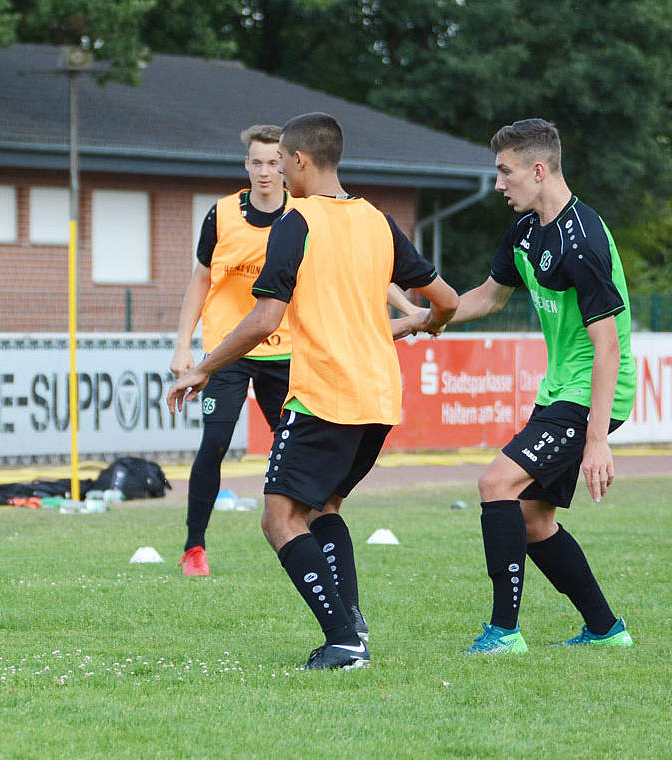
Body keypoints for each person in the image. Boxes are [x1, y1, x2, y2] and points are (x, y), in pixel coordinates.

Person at [168, 113, 458, 669]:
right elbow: (442, 300)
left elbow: (262, 319)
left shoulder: (296, 222)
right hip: (378, 397)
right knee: (324, 506)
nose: (277, 172)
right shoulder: (377, 220)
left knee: (279, 518)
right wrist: (412, 325)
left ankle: (344, 641)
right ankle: (352, 626)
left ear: (298, 161)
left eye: (282, 162)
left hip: (325, 392)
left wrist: (203, 367)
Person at [396, 118, 636, 654]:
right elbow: (486, 298)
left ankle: (504, 631)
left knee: (495, 484)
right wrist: (418, 321)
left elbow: (609, 348)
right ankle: (605, 628)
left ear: (538, 169)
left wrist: (597, 439)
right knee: (530, 518)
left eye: (505, 172)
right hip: (560, 391)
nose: (498, 183)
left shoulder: (585, 239)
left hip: (594, 391)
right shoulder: (526, 233)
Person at [169, 125, 292, 577]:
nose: (265, 171)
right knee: (216, 441)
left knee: (294, 447)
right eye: (257, 162)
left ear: (288, 164)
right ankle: (194, 547)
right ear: (246, 165)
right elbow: (199, 281)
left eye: (274, 162)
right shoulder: (221, 215)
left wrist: (404, 307)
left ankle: (299, 534)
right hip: (226, 350)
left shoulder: (302, 214)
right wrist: (184, 347)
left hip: (284, 349)